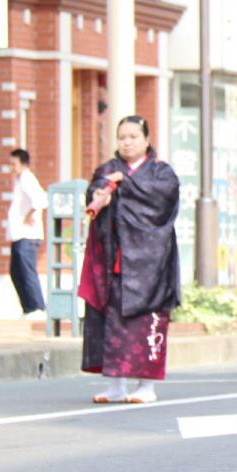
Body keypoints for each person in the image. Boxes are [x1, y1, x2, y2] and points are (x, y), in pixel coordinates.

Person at [78, 116, 181, 405]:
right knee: (112, 323)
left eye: (133, 136)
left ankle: (146, 386)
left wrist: (128, 186)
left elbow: (163, 200)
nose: (127, 142)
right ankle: (115, 385)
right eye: (122, 137)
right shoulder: (108, 171)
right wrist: (101, 193)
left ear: (147, 140)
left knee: (145, 325)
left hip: (151, 266)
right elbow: (94, 193)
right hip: (115, 262)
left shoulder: (161, 173)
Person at [8, 148, 48, 318]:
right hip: (19, 234)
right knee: (16, 271)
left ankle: (37, 306)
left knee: (27, 271)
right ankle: (28, 307)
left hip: (27, 235)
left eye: (14, 164)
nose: (12, 168)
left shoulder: (26, 178)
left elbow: (41, 199)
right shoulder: (20, 180)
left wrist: (29, 214)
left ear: (22, 164)